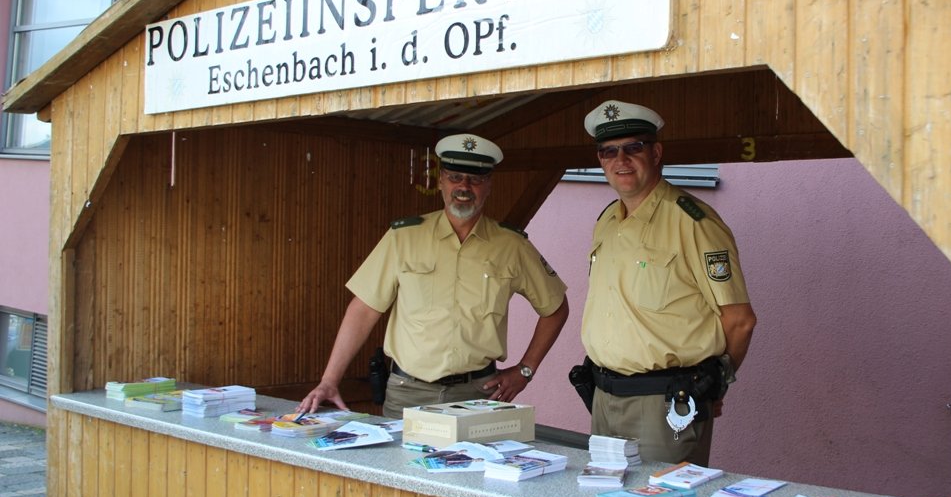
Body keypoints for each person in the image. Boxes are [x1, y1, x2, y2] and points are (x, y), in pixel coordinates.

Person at [298, 133, 569, 419]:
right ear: (441, 181)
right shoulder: (404, 238)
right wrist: (329, 380)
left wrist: (525, 370)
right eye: (455, 177)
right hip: (408, 393)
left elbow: (555, 307)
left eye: (475, 179)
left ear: (489, 185)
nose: (464, 187)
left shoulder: (511, 245)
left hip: (478, 394)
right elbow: (364, 309)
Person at [580, 100, 757, 466]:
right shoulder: (607, 221)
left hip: (665, 404)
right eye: (609, 151)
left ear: (656, 153)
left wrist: (715, 384)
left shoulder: (693, 221)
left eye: (633, 148)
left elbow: (740, 320)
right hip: (603, 396)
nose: (621, 160)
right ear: (600, 160)